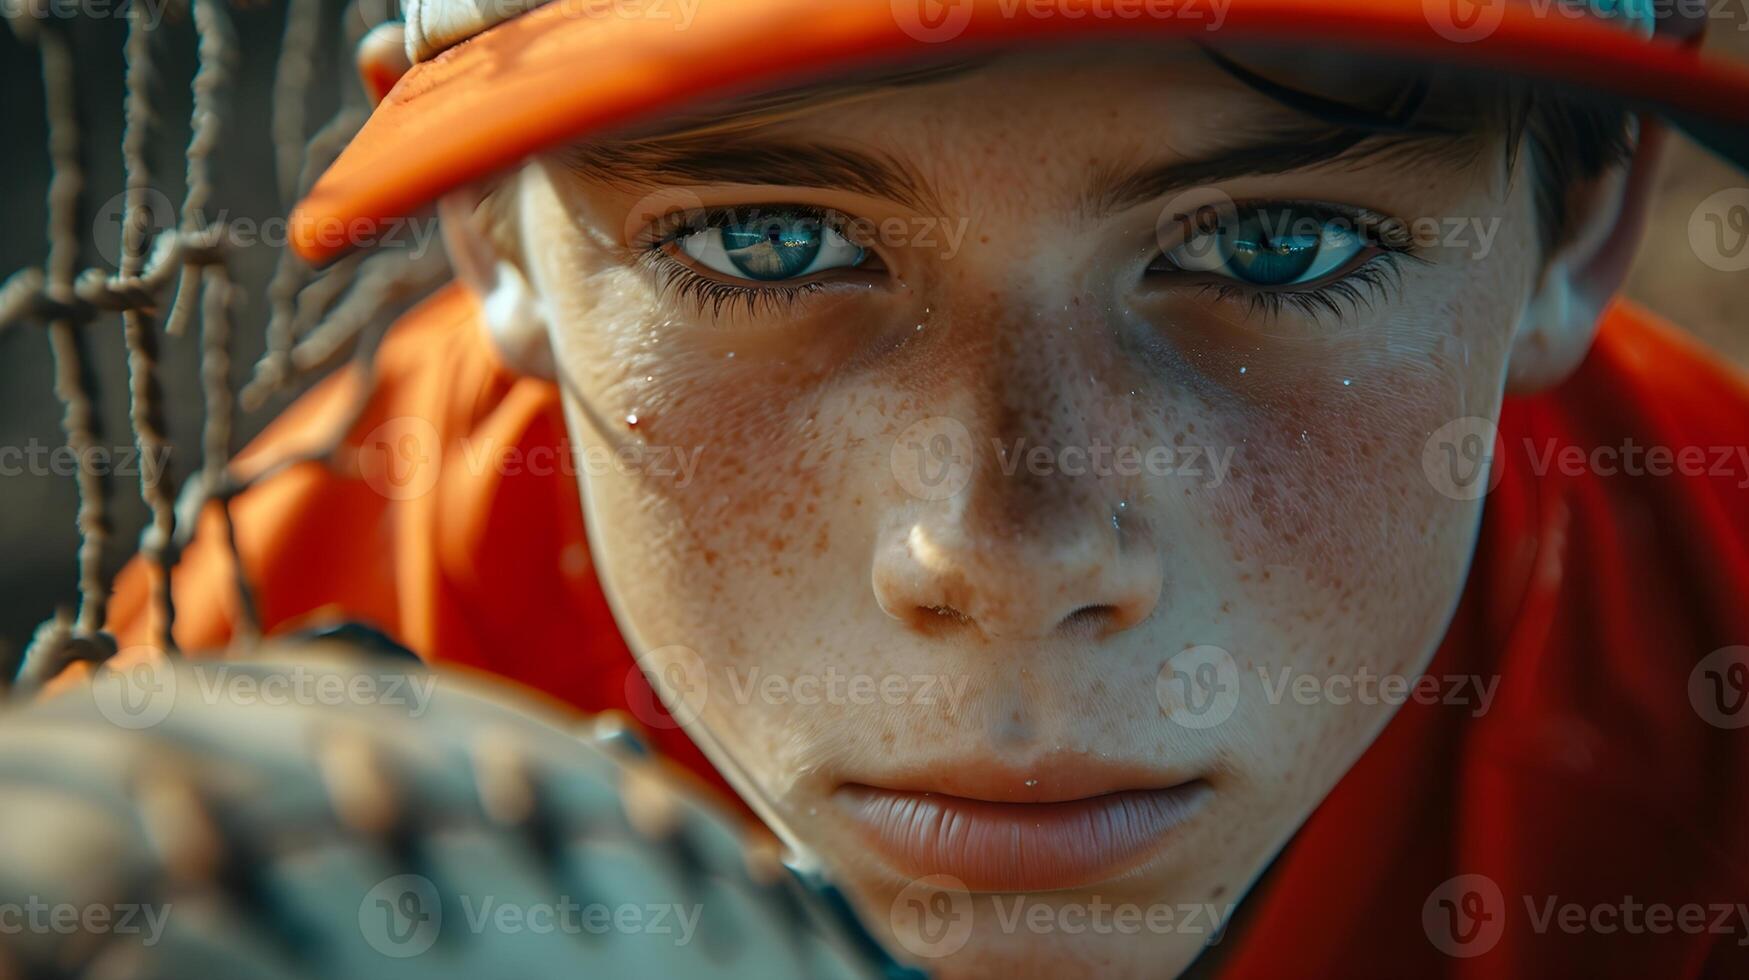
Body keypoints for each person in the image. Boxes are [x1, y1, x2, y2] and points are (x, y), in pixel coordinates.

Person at [68, 1, 1749, 976]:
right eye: (769, 240)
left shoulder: (1710, 680)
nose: (999, 553)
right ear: (499, 225)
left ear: (1579, 224)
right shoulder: (289, 656)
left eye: (1269, 242)